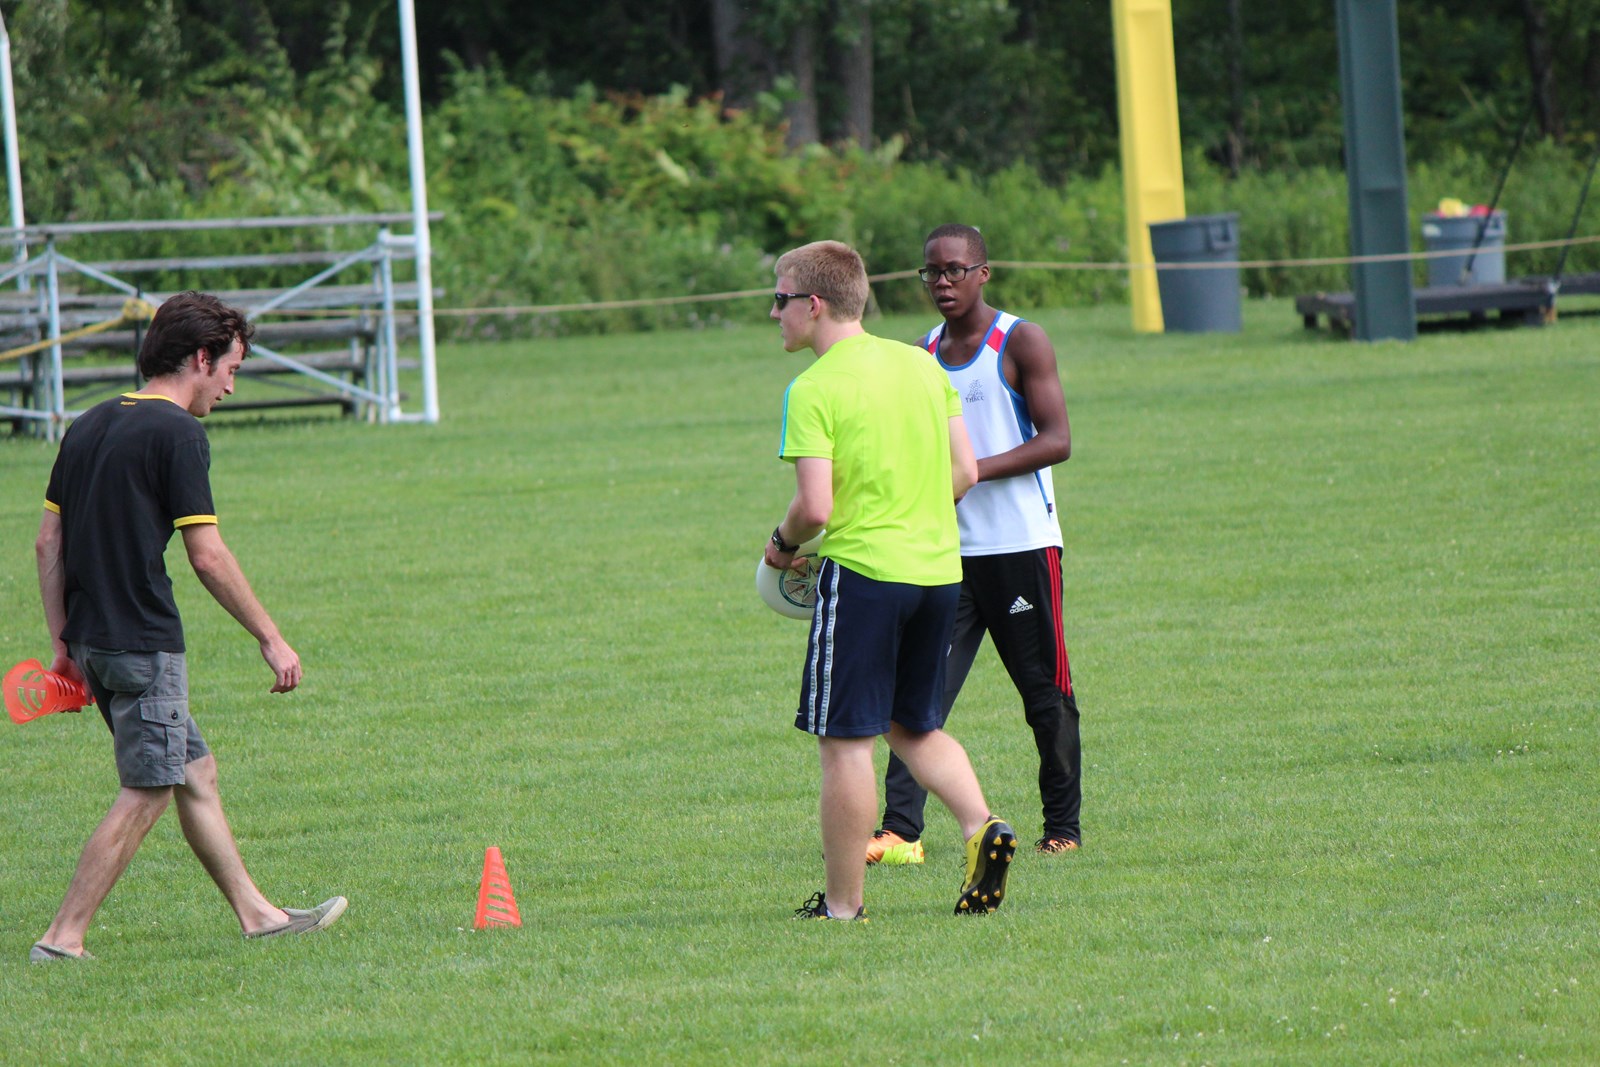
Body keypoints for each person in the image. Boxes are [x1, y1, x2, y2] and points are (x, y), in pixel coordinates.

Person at [29, 291, 345, 963]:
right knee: (148, 787)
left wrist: (63, 643)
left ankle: (259, 915)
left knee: (194, 769)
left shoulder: (86, 424)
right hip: (142, 643)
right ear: (202, 358)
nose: (230, 386)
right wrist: (271, 636)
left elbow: (47, 543)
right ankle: (62, 938)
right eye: (231, 368)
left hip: (93, 641)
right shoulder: (177, 434)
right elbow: (208, 555)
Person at [762, 240, 1016, 921]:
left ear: (815, 305)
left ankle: (843, 906)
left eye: (781, 300)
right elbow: (965, 473)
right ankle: (982, 825)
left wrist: (783, 545)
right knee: (913, 725)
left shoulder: (812, 389)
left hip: (865, 576)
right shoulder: (921, 364)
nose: (775, 313)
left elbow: (815, 507)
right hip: (938, 572)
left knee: (845, 743)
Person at [866, 223, 1082, 867]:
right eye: (931, 272)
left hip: (1021, 548)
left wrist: (970, 471)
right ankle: (900, 832)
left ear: (983, 273)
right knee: (917, 697)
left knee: (1044, 694)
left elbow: (1057, 440)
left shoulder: (1021, 340)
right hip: (944, 554)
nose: (942, 282)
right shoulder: (920, 354)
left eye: (955, 270)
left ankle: (1062, 827)